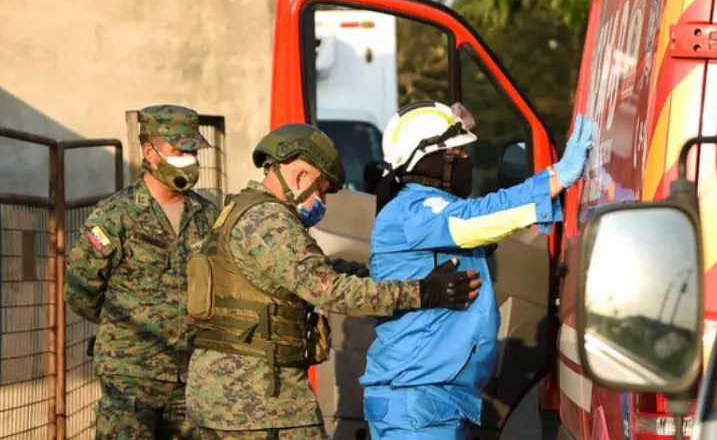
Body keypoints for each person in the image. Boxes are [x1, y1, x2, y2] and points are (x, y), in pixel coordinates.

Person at [184, 123, 482, 440]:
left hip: (227, 393)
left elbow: (318, 269)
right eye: (322, 189)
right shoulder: (270, 220)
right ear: (300, 177)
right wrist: (422, 292)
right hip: (258, 401)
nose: (322, 202)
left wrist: (391, 272)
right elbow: (332, 291)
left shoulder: (238, 209)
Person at [361, 101, 595, 439]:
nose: (466, 160)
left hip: (432, 398)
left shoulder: (429, 209)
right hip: (417, 401)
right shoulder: (412, 213)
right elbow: (482, 217)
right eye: (456, 153)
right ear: (426, 158)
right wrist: (555, 178)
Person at [65, 104, 220, 440]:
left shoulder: (208, 215)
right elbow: (81, 292)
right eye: (179, 151)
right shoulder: (116, 215)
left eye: (193, 151)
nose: (189, 159)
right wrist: (127, 331)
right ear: (150, 152)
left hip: (191, 376)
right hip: (130, 377)